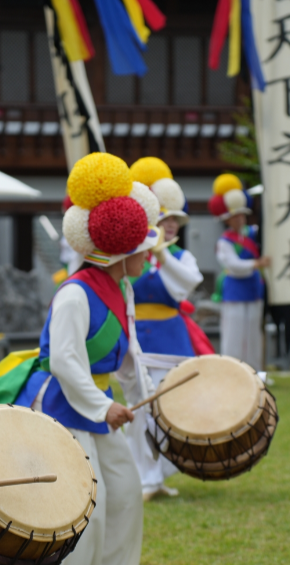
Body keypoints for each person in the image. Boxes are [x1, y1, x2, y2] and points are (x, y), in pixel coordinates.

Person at [0, 152, 158, 565]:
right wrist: (105, 407)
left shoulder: (121, 289)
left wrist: (146, 402)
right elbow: (63, 362)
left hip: (95, 399)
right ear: (124, 251)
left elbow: (127, 355)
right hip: (62, 402)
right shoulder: (75, 293)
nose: (150, 253)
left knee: (124, 491)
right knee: (87, 501)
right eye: (145, 247)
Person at [125, 156, 211, 501]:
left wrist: (163, 254)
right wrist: (148, 250)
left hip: (171, 339)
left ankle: (160, 474)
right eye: (164, 218)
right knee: (140, 409)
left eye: (175, 219)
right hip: (137, 342)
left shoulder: (181, 257)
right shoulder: (132, 254)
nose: (171, 225)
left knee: (174, 410)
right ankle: (146, 479)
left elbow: (186, 286)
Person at [209, 174, 270, 369]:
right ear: (227, 219)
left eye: (242, 214)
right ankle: (231, 369)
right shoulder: (224, 242)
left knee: (253, 333)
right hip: (235, 289)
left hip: (253, 288)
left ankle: (254, 370)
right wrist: (257, 264)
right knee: (233, 333)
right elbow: (234, 266)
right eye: (235, 216)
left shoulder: (253, 233)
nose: (239, 219)